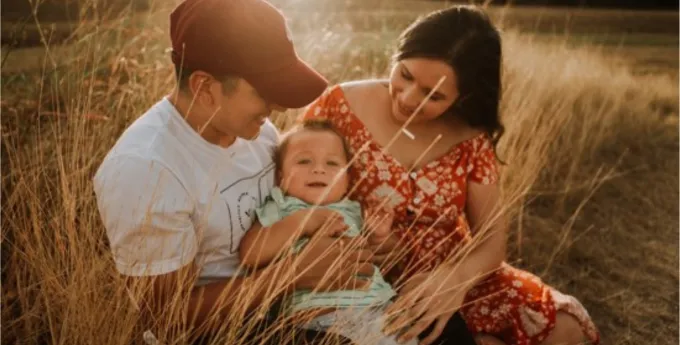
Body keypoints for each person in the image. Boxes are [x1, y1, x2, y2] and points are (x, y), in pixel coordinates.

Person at [300, 5, 601, 345]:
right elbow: (291, 186)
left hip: (452, 276)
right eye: (406, 74)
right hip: (361, 274)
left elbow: (491, 242)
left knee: (564, 327)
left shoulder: (470, 136)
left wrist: (453, 280)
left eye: (434, 95)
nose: (408, 98)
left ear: (464, 96)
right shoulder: (340, 105)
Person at [92, 0, 370, 344]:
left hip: (291, 304)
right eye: (265, 92)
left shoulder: (257, 130)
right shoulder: (145, 171)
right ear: (204, 87)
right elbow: (167, 319)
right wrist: (291, 275)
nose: (280, 106)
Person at [238, 118, 415, 345]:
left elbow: (388, 257)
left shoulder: (352, 209)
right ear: (280, 177)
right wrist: (301, 221)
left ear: (347, 180)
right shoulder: (282, 208)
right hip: (317, 320)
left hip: (378, 311)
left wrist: (380, 235)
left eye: (332, 164)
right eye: (303, 161)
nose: (319, 169)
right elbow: (250, 253)